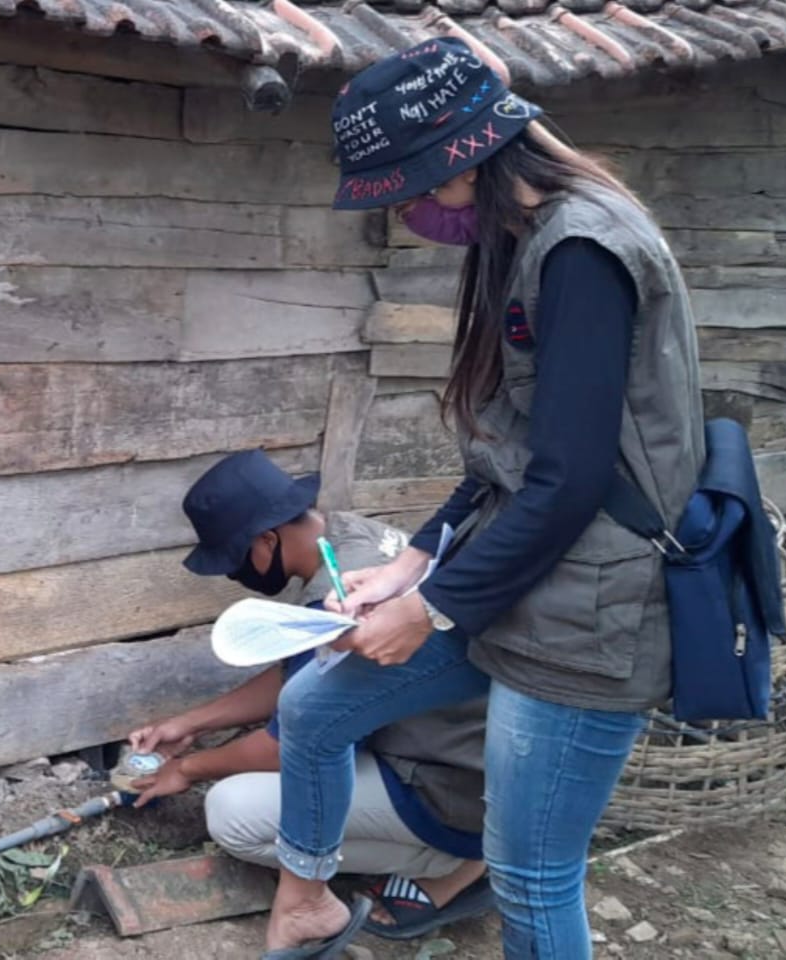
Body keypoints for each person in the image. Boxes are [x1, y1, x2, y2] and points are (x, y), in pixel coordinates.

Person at [262, 38, 704, 959]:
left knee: (532, 873)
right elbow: (513, 446)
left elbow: (572, 480)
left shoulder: (584, 249)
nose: (409, 214)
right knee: (313, 709)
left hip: (588, 611)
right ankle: (307, 903)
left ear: (459, 163)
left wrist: (432, 609)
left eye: (407, 192)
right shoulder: (528, 240)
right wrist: (414, 562)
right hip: (519, 582)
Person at [127, 450, 493, 942]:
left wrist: (187, 770)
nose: (236, 575)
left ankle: (453, 861)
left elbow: (291, 743)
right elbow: (302, 678)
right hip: (470, 760)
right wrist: (192, 723)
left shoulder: (336, 596)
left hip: (441, 787)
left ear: (266, 540)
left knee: (232, 812)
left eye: (235, 561)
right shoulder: (354, 539)